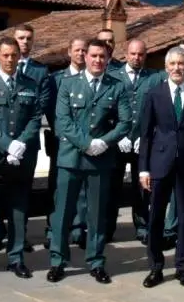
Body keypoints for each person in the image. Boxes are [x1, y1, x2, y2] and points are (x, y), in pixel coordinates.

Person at [47, 39, 132, 284]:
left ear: (108, 59)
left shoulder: (117, 86)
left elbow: (125, 122)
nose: (97, 60)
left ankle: (96, 261)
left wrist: (104, 142)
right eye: (93, 55)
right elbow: (62, 121)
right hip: (71, 158)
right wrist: (87, 144)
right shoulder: (67, 84)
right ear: (85, 57)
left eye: (102, 56)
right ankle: (57, 260)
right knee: (62, 212)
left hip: (101, 161)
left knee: (97, 213)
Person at [0, 37, 46, 280]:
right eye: (5, 55)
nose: (10, 60)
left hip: (21, 156)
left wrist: (20, 144)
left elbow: (35, 118)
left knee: (18, 209)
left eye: (14, 55)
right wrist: (8, 145)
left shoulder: (30, 84)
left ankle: (16, 258)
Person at [138, 47, 184, 288]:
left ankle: (182, 267)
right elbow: (146, 134)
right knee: (156, 217)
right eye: (173, 64)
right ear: (166, 67)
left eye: (181, 63)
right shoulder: (154, 94)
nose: (177, 68)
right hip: (159, 164)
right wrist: (143, 169)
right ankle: (155, 267)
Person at [0, 23, 52, 252]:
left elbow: (41, 105)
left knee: (22, 192)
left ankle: (19, 235)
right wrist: (6, 141)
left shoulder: (40, 71)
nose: (24, 42)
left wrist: (21, 139)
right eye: (20, 38)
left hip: (27, 141)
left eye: (28, 38)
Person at [110, 39, 158, 243]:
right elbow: (106, 110)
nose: (137, 58)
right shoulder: (112, 76)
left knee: (142, 188)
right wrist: (117, 135)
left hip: (142, 142)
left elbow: (158, 110)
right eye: (133, 54)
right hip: (116, 142)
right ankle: (107, 227)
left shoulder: (154, 78)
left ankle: (142, 226)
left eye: (140, 54)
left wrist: (145, 136)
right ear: (126, 54)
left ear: (145, 55)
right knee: (112, 186)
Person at [42, 38, 88, 250]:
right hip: (62, 141)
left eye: (84, 50)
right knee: (58, 187)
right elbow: (51, 110)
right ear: (69, 52)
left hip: (86, 141)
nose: (81, 54)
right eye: (77, 50)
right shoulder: (56, 79)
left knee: (82, 188)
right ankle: (53, 229)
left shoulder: (92, 78)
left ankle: (78, 227)